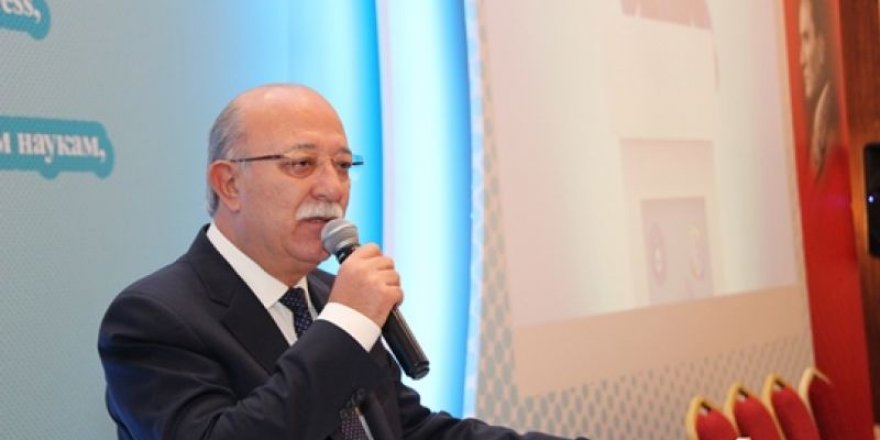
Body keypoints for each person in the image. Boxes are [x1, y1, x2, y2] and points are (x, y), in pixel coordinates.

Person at [98, 83, 585, 440]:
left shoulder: (331, 295)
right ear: (229, 184)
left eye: (344, 165)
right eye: (301, 164)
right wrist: (348, 325)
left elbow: (407, 430)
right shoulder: (153, 318)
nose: (333, 188)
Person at [798, 0, 839, 180]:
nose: (801, 60)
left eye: (806, 38)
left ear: (822, 46)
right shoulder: (817, 125)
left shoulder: (833, 128)